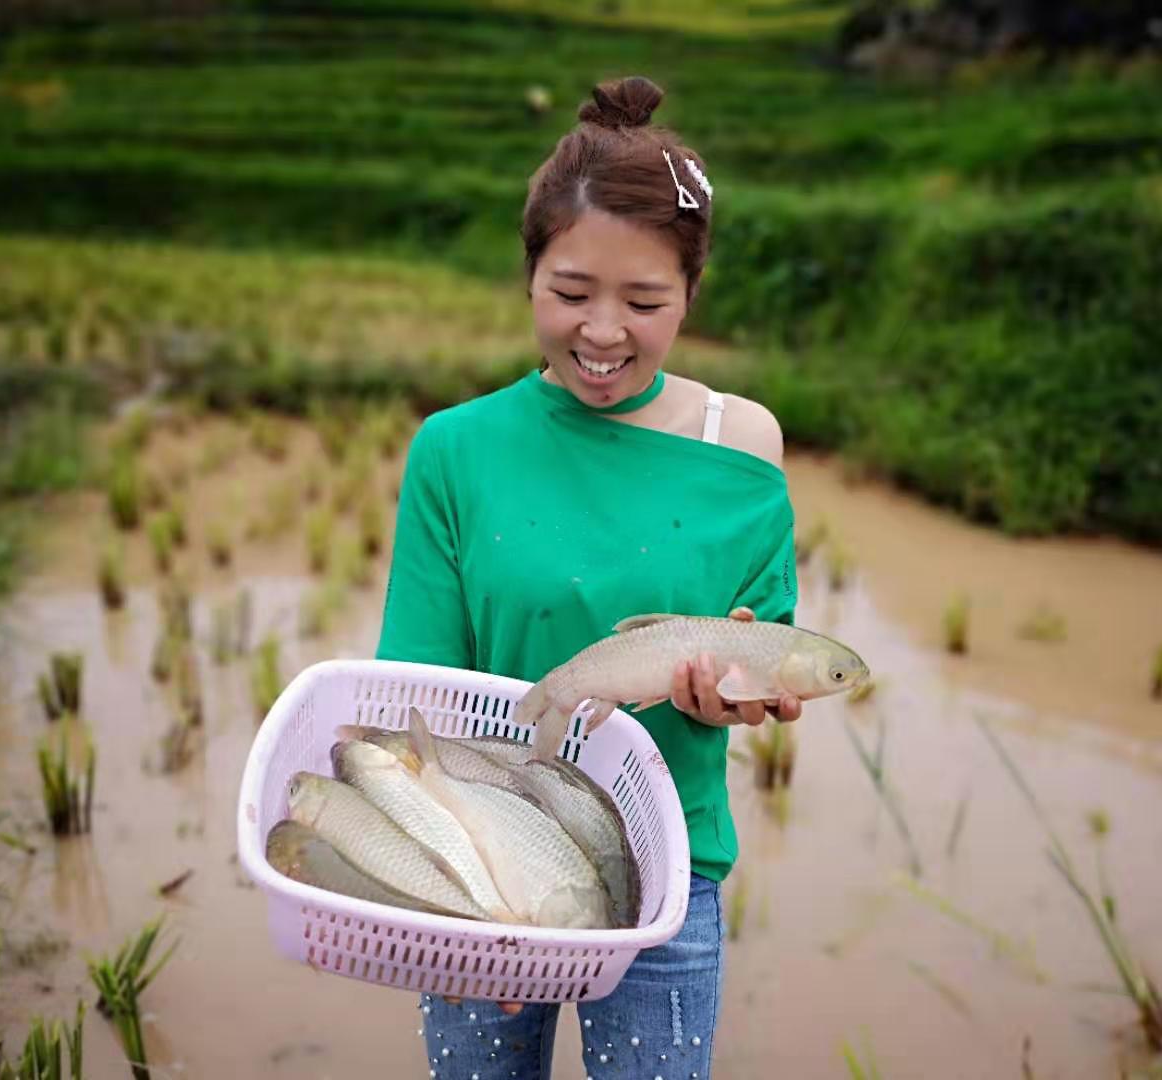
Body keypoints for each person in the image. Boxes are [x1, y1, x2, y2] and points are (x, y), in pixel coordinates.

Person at [375, 74, 801, 1080]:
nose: (604, 333)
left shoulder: (740, 446)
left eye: (645, 302)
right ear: (529, 274)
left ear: (691, 294)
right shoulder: (456, 450)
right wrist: (480, 899)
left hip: (669, 869)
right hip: (490, 848)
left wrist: (729, 698)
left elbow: (767, 650)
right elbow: (422, 686)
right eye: (571, 293)